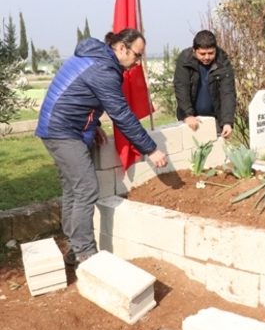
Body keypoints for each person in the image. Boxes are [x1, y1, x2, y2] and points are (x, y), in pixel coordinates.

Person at [36, 29, 168, 267]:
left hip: (60, 126)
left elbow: (80, 95)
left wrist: (93, 123)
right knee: (86, 188)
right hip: (63, 131)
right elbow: (121, 114)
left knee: (73, 189)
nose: (137, 62)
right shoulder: (104, 70)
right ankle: (85, 254)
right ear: (121, 48)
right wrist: (151, 149)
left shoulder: (96, 58)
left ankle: (73, 245)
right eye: (136, 56)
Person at [173, 30, 236, 138]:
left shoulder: (223, 61)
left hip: (215, 118)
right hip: (191, 119)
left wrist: (227, 122)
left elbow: (228, 92)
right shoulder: (184, 60)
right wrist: (188, 115)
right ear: (194, 50)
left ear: (215, 50)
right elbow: (181, 88)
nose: (207, 57)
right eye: (202, 54)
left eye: (211, 53)